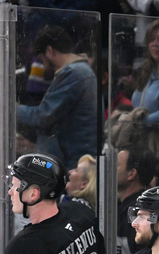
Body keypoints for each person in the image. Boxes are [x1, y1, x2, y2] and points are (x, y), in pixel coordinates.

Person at [17, 26, 98, 166]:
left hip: (72, 161)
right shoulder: (79, 72)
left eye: (41, 59)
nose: (43, 66)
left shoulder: (75, 74)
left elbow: (45, 115)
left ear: (49, 51)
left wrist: (8, 109)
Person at [116, 146, 159, 254]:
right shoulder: (118, 205)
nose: (109, 169)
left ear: (131, 174)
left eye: (116, 164)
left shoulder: (140, 211)